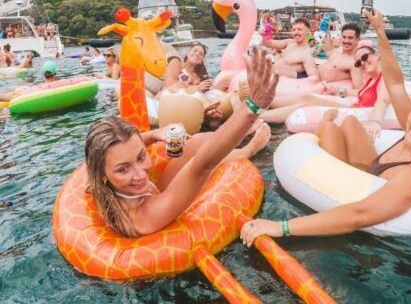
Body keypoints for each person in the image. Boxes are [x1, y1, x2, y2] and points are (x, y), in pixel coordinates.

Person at [241, 8, 411, 245]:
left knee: (330, 129)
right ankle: (323, 124)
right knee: (348, 123)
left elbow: (361, 214)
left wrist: (280, 227)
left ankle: (324, 124)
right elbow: (394, 82)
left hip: (361, 228)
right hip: (366, 173)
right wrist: (380, 30)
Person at [84, 46, 278, 237]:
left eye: (141, 156)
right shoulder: (144, 217)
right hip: (163, 209)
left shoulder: (104, 171)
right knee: (206, 161)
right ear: (102, 174)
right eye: (123, 169)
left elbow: (126, 149)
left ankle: (240, 134)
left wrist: (154, 134)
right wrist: (251, 108)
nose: (140, 173)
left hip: (155, 192)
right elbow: (203, 164)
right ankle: (250, 148)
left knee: (197, 141)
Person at [259, 43, 390, 140]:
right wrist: (338, 91)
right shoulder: (371, 80)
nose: (362, 63)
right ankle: (262, 101)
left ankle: (257, 116)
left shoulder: (385, 78)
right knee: (307, 98)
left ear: (377, 55)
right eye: (358, 62)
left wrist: (375, 122)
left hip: (356, 113)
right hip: (353, 107)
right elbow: (359, 93)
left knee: (307, 105)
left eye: (365, 57)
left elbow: (382, 100)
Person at [317, 22, 364, 89]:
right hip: (311, 78)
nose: (346, 41)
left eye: (350, 38)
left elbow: (359, 89)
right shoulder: (340, 49)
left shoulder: (354, 62)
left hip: (320, 85)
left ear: (358, 39)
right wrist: (327, 32)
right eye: (344, 37)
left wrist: (337, 91)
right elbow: (329, 52)